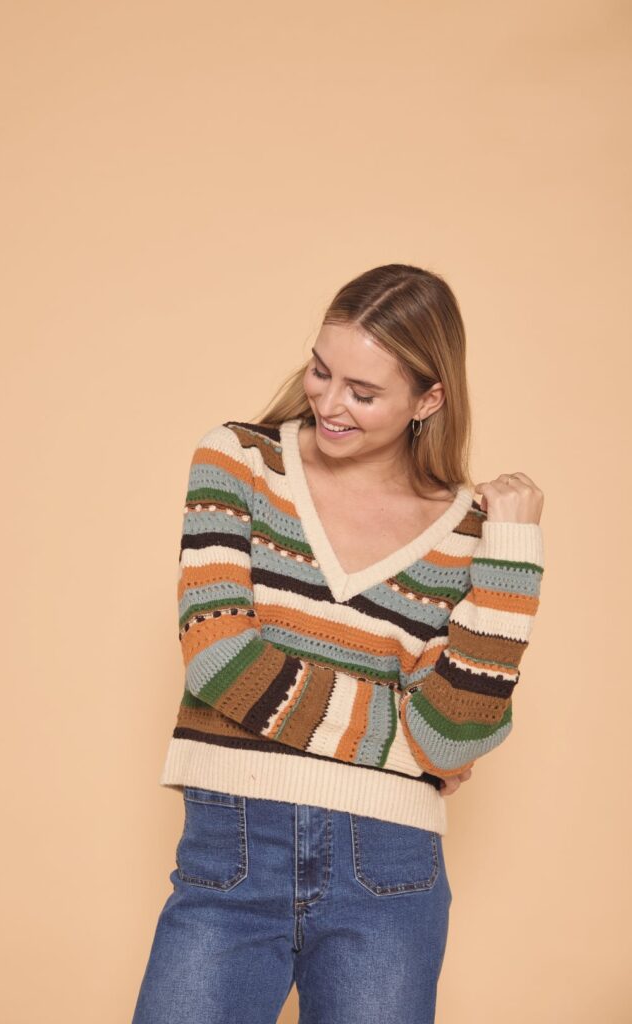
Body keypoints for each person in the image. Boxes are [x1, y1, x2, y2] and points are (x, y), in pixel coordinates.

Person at [131, 263, 545, 1024]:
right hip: (233, 844)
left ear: (428, 399)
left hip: (390, 867)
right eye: (321, 371)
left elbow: (454, 733)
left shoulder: (470, 531)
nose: (328, 403)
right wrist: (409, 750)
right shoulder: (239, 459)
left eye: (363, 391)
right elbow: (221, 660)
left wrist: (513, 552)